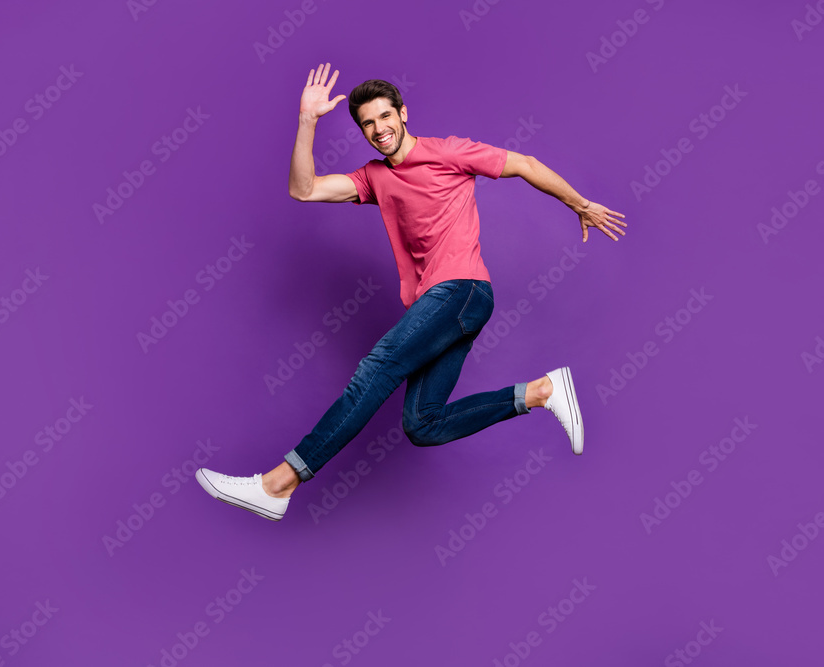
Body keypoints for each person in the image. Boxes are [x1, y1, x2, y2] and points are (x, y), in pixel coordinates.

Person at [195, 62, 628, 521]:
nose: (379, 129)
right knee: (423, 425)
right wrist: (307, 121)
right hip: (441, 305)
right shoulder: (374, 178)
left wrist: (579, 204)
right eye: (367, 124)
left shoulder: (449, 152)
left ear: (402, 113)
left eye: (385, 117)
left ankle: (278, 483)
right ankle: (541, 392)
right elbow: (304, 190)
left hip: (461, 289)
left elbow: (524, 165)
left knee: (376, 370)